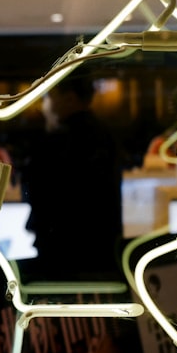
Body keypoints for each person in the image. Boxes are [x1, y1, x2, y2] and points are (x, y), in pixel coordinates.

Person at [22, 72, 125, 276]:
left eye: (51, 97)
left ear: (69, 98)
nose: (47, 104)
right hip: (102, 245)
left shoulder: (59, 139)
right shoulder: (106, 135)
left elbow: (36, 190)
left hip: (61, 246)